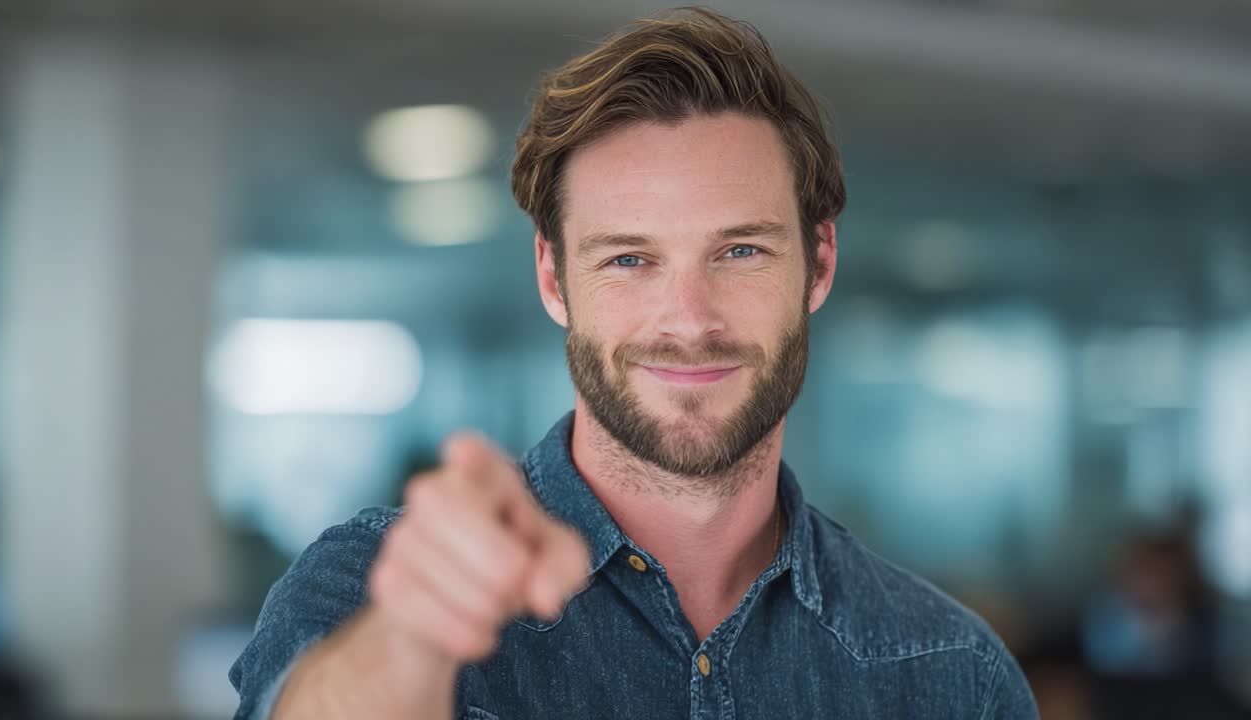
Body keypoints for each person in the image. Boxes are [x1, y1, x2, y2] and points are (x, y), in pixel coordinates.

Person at [229, 8, 1037, 718]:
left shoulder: (951, 675)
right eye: (628, 260)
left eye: (741, 251)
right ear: (554, 279)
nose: (689, 320)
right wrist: (413, 638)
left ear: (819, 264)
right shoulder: (370, 594)